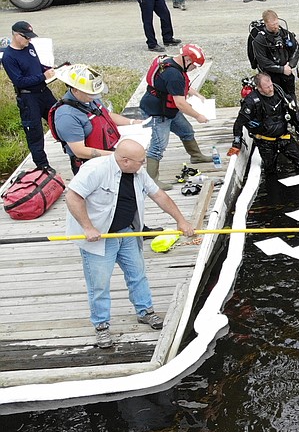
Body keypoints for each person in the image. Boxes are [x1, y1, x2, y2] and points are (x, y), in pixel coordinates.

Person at [64, 140, 195, 349]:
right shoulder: (95, 169)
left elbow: (158, 195)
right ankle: (101, 325)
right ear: (125, 161)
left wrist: (180, 220)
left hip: (126, 232)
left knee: (137, 274)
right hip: (100, 238)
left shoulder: (137, 172)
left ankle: (145, 312)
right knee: (99, 284)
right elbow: (73, 197)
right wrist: (87, 227)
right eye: (140, 161)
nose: (143, 165)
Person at [49, 65, 142, 174]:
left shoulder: (88, 98)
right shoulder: (66, 116)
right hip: (91, 166)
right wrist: (117, 156)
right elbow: (79, 151)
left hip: (111, 155)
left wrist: (132, 122)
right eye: (90, 94)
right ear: (75, 90)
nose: (95, 96)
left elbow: (106, 115)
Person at [140, 43, 211, 182]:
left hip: (168, 109)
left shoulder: (170, 62)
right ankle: (151, 181)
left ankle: (196, 156)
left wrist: (197, 95)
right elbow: (180, 103)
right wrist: (198, 116)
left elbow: (181, 87)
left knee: (186, 131)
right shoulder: (174, 75)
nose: (193, 69)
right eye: (194, 66)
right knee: (158, 146)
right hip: (156, 112)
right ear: (188, 60)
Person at [1, 20, 58, 172]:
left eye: (30, 37)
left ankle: (74, 151)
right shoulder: (8, 57)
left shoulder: (30, 47)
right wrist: (43, 76)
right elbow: (19, 81)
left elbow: (38, 67)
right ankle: (43, 165)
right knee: (35, 133)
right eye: (26, 37)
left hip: (44, 93)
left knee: (59, 118)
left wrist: (50, 70)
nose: (29, 40)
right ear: (16, 35)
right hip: (28, 98)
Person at [230, 72, 299, 174]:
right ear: (259, 88)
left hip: (284, 137)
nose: (270, 89)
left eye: (271, 85)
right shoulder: (251, 101)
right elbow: (239, 123)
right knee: (270, 170)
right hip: (265, 142)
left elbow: (294, 112)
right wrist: (236, 144)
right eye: (267, 87)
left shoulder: (280, 93)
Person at [251, 9, 299, 98]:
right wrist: (281, 69)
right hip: (270, 76)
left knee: (290, 97)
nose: (276, 27)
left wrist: (291, 65)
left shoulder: (285, 34)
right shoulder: (259, 40)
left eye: (277, 23)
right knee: (274, 99)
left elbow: (296, 49)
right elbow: (262, 61)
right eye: (273, 25)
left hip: (287, 71)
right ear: (266, 24)